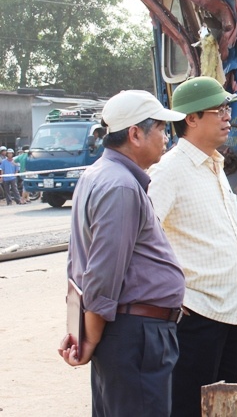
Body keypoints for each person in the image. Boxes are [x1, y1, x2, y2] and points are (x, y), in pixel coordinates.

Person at [57, 90, 186, 416]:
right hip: (134, 335)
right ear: (135, 134)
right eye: (160, 128)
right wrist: (89, 339)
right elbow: (101, 275)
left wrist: (86, 331)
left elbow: (78, 264)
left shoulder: (99, 175)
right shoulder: (121, 187)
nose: (165, 137)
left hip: (126, 333)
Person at [148, 76, 237, 417]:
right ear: (190, 119)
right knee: (190, 408)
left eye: (227, 109)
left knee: (223, 407)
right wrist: (169, 292)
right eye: (218, 110)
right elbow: (141, 238)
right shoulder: (169, 171)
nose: (227, 117)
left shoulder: (214, 164)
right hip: (196, 315)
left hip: (230, 310)